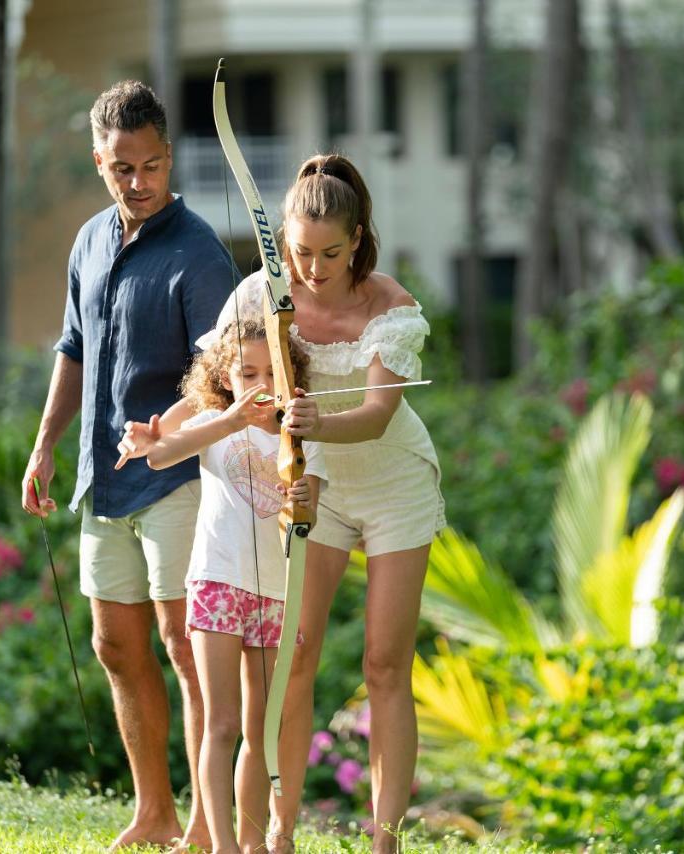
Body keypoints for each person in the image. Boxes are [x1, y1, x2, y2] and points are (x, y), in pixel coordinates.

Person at [120, 152, 444, 854]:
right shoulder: (261, 292)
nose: (313, 269)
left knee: (385, 666)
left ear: (357, 241)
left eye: (331, 253)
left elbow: (381, 412)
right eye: (299, 253)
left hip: (393, 487)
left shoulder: (391, 306)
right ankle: (280, 836)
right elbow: (214, 385)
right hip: (313, 488)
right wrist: (160, 430)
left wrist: (314, 422)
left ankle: (386, 842)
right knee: (296, 656)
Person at [20, 79, 234, 851]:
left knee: (185, 646)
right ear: (99, 162)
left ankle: (209, 821)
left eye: (149, 166)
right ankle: (154, 813)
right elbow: (72, 351)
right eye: (121, 169)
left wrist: (167, 431)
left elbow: (223, 374)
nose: (137, 183)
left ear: (168, 157)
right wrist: (45, 447)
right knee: (115, 646)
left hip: (176, 476)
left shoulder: (200, 251)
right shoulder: (89, 241)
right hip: (100, 479)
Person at [137, 318, 326, 854]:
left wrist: (304, 502)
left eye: (273, 372)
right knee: (219, 723)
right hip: (218, 583)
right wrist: (231, 418)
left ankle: (252, 842)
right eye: (247, 373)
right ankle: (220, 844)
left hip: (274, 595)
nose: (261, 383)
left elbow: (305, 510)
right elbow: (160, 454)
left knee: (259, 728)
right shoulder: (216, 425)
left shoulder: (301, 435)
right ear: (225, 374)